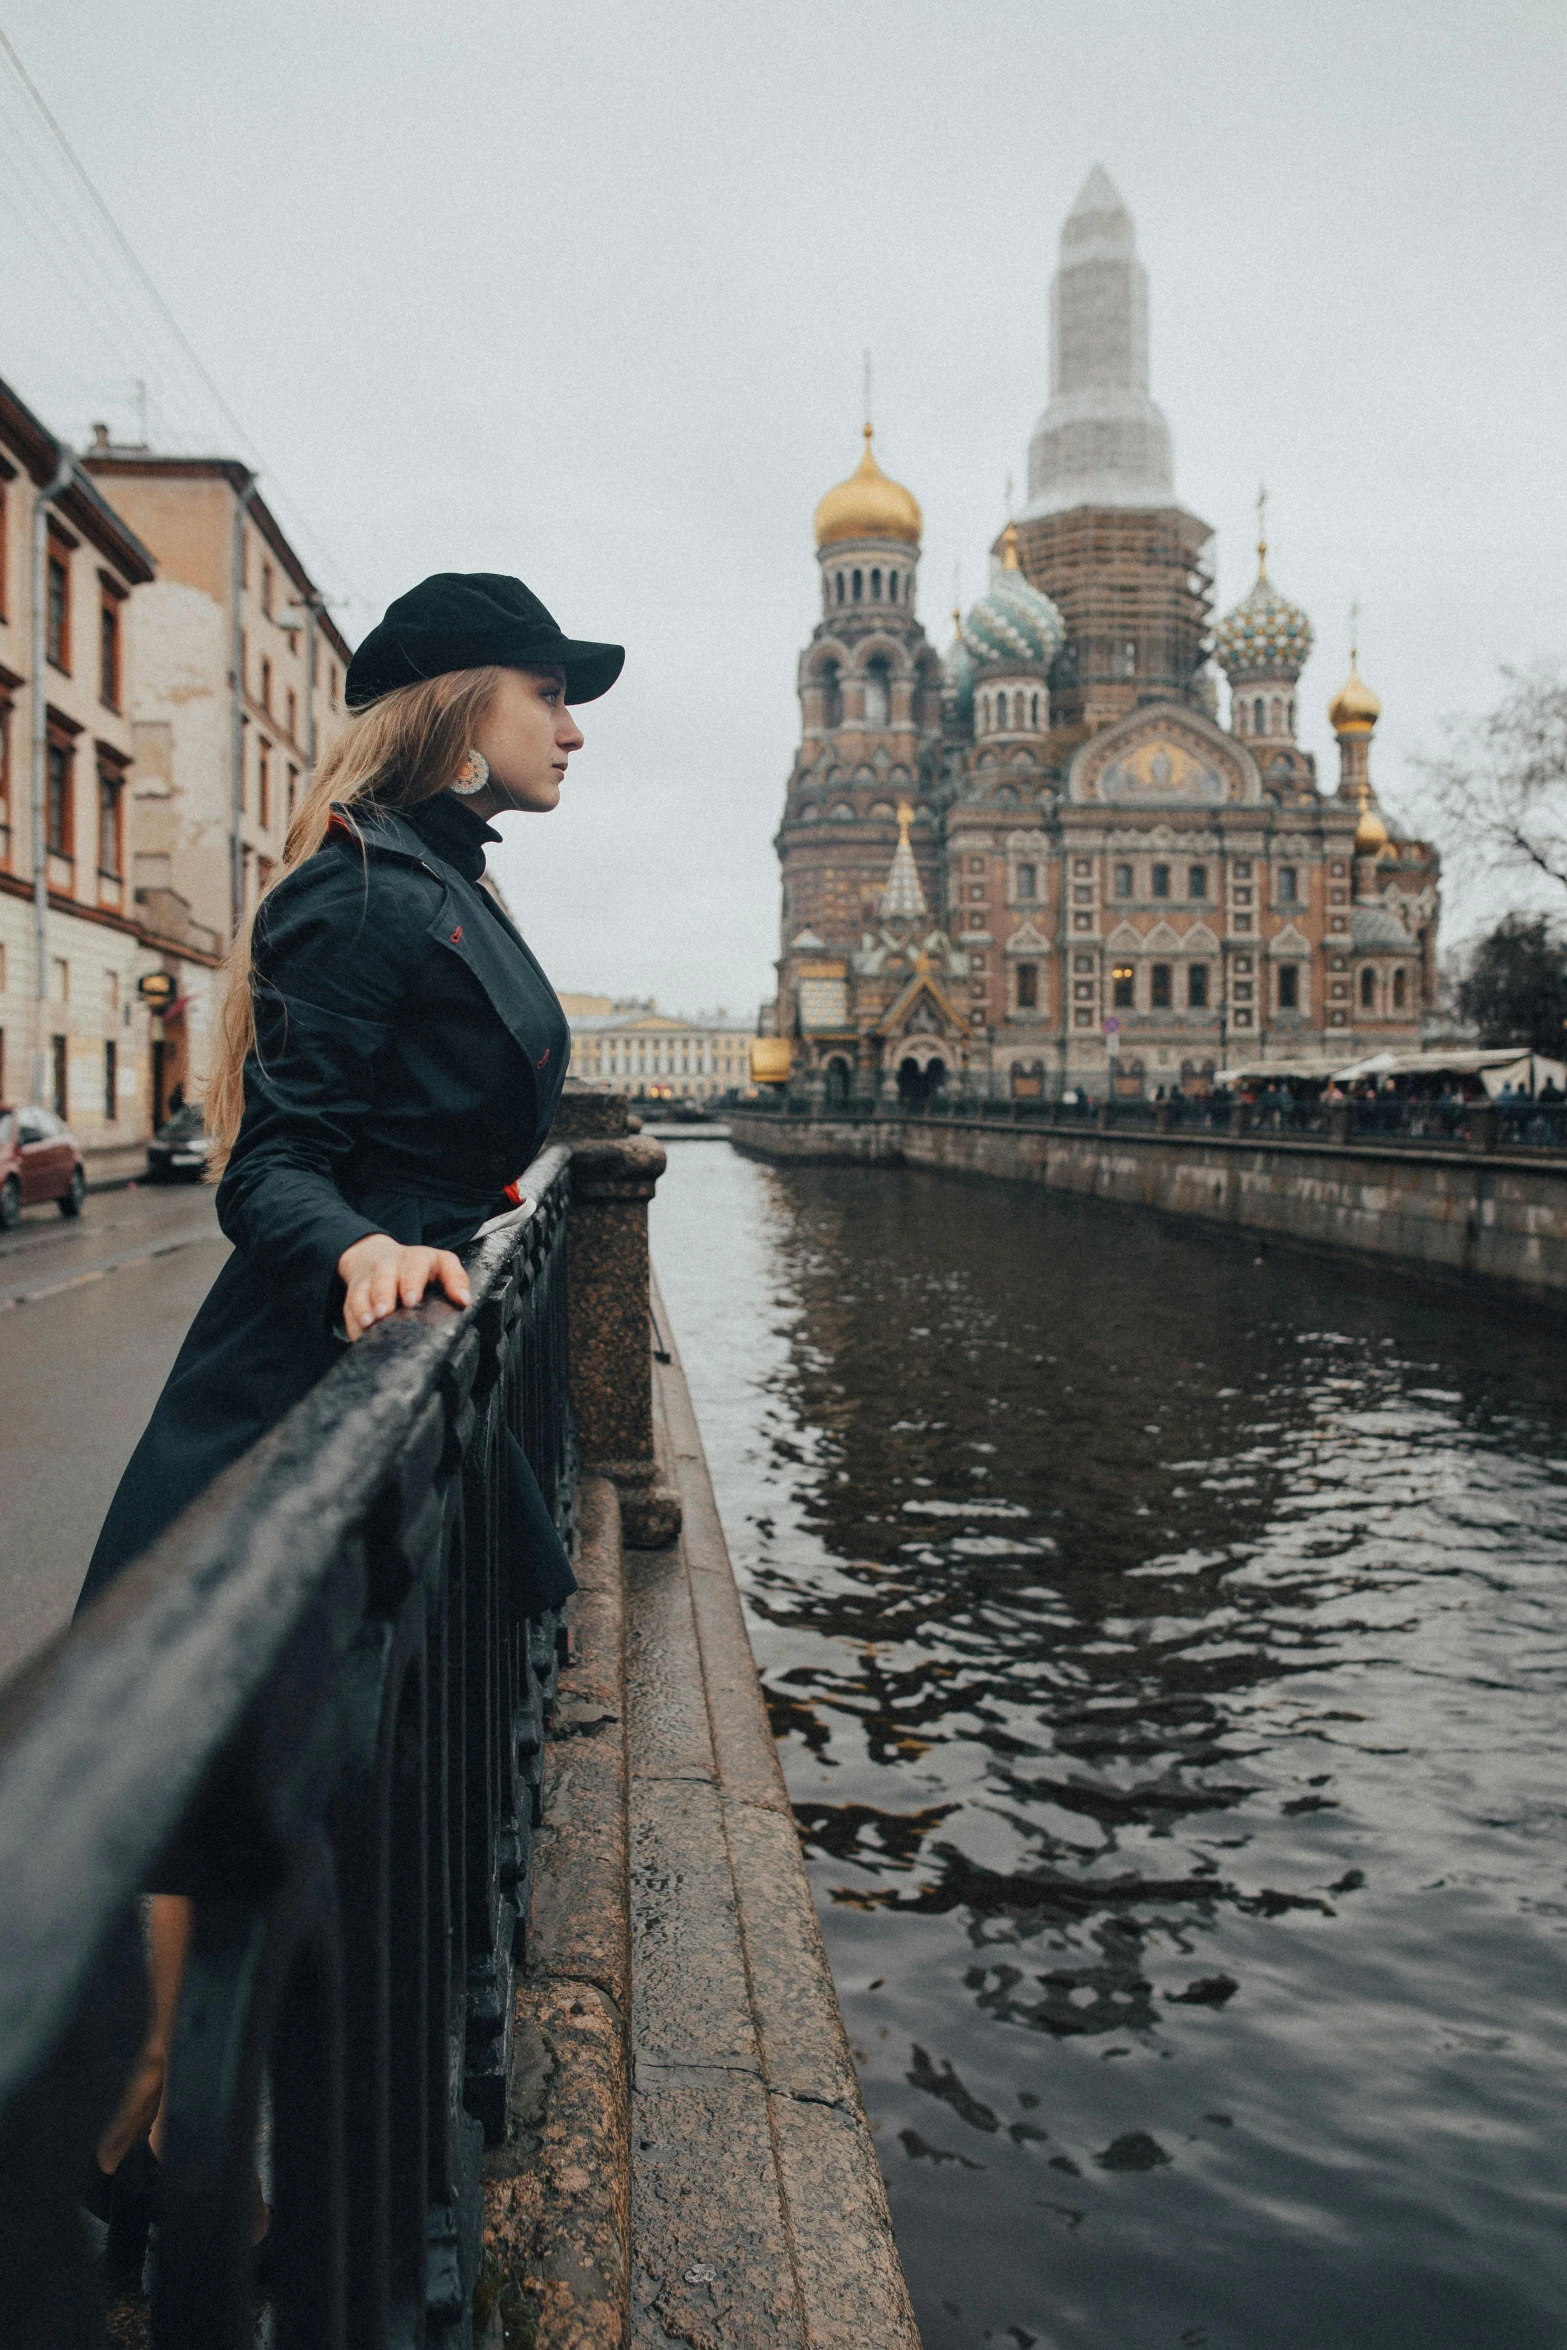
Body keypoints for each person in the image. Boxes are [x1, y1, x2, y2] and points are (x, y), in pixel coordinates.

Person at [78, 570, 623, 2270]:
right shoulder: (365, 896)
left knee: (296, 1763)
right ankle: (143, 2159)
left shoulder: (439, 884)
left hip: (395, 1341)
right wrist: (370, 1244)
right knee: (222, 1765)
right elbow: (271, 1169)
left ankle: (173, 2151)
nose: (574, 723)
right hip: (298, 1368)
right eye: (548, 691)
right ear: (464, 707)